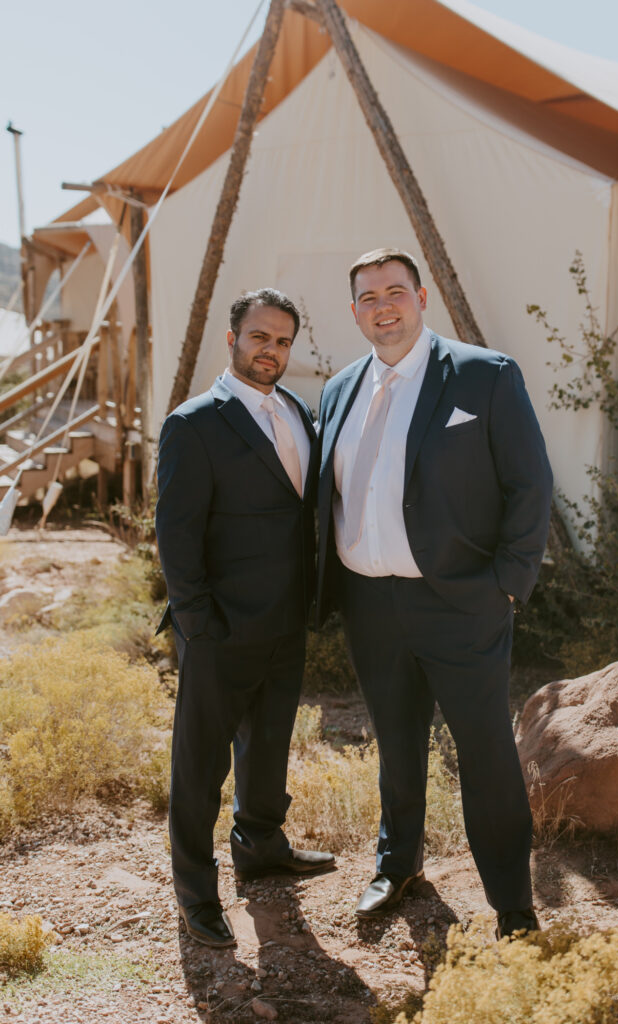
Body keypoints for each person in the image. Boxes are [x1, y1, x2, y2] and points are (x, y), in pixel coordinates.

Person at [316, 249, 553, 937]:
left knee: (484, 751)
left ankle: (512, 903)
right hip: (369, 602)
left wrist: (506, 586)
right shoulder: (339, 390)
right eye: (367, 296)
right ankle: (398, 866)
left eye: (395, 291)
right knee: (395, 744)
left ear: (421, 297)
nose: (383, 305)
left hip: (461, 602)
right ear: (353, 310)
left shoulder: (484, 375)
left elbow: (529, 485)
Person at [156, 288, 334, 949]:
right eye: (260, 336)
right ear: (232, 338)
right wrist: (198, 624)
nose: (272, 351)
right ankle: (195, 894)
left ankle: (261, 848)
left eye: (283, 340)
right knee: (200, 768)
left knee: (267, 752)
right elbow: (174, 536)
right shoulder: (194, 423)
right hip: (221, 629)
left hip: (285, 623)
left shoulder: (294, 411)